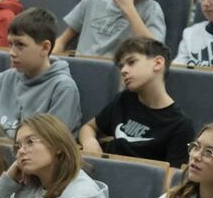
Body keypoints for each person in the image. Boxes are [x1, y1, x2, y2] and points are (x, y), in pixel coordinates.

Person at [80, 37, 194, 165]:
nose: (123, 70)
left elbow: (172, 179)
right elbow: (88, 127)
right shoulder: (124, 99)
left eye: (131, 62)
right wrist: (89, 141)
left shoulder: (180, 125)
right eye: (121, 66)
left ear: (157, 63)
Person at [0, 8, 83, 137]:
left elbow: (50, 143)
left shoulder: (63, 88)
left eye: (20, 45)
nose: (12, 52)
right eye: (10, 44)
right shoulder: (6, 78)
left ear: (45, 48)